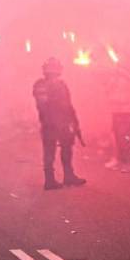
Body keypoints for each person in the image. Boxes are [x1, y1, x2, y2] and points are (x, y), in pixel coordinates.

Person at [32, 57, 85, 190]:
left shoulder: (61, 85)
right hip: (50, 123)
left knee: (66, 148)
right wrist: (54, 120)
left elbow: (68, 105)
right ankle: (50, 180)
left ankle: (68, 176)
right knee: (50, 150)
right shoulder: (41, 85)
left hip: (63, 122)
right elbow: (42, 105)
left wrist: (74, 122)